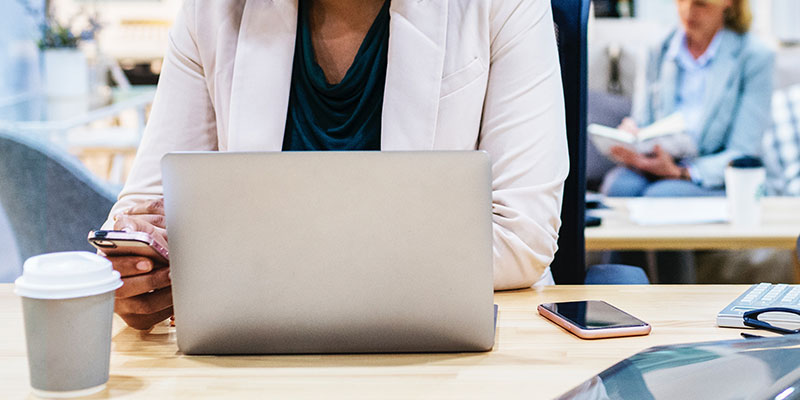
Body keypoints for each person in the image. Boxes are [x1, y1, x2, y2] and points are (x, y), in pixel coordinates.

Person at [101, 0, 569, 330]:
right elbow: (146, 211)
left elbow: (518, 238)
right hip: (256, 351)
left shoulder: (505, 4)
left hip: (451, 352)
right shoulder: (213, 10)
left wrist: (239, 266)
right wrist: (141, 271)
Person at [601, 0, 774, 197]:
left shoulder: (755, 56)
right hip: (659, 161)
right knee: (618, 188)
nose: (687, 11)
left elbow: (743, 152)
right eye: (681, 1)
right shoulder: (657, 49)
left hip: (714, 174)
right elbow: (643, 121)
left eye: (700, 4)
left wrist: (681, 172)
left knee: (662, 196)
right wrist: (632, 135)